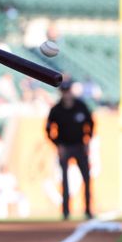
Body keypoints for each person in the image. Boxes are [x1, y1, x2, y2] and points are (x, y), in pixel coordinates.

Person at [46, 81, 95, 220]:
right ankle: (66, 210)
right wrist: (57, 144)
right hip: (65, 147)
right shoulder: (56, 109)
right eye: (64, 91)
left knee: (86, 178)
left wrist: (87, 140)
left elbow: (90, 123)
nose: (66, 94)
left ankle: (88, 209)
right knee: (65, 180)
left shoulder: (80, 106)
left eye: (68, 91)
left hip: (80, 145)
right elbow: (48, 128)